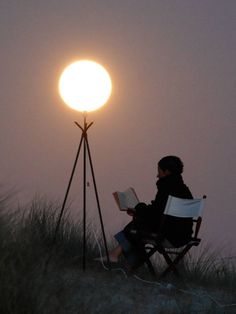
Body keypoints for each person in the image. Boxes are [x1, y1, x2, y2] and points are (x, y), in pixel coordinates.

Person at [102, 156, 193, 269]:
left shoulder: (166, 187)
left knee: (133, 229)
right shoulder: (184, 190)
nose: (157, 175)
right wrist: (140, 212)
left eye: (159, 171)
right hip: (184, 236)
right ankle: (118, 257)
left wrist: (138, 208)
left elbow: (156, 213)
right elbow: (161, 212)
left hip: (169, 236)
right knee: (137, 226)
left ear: (167, 172)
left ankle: (128, 262)